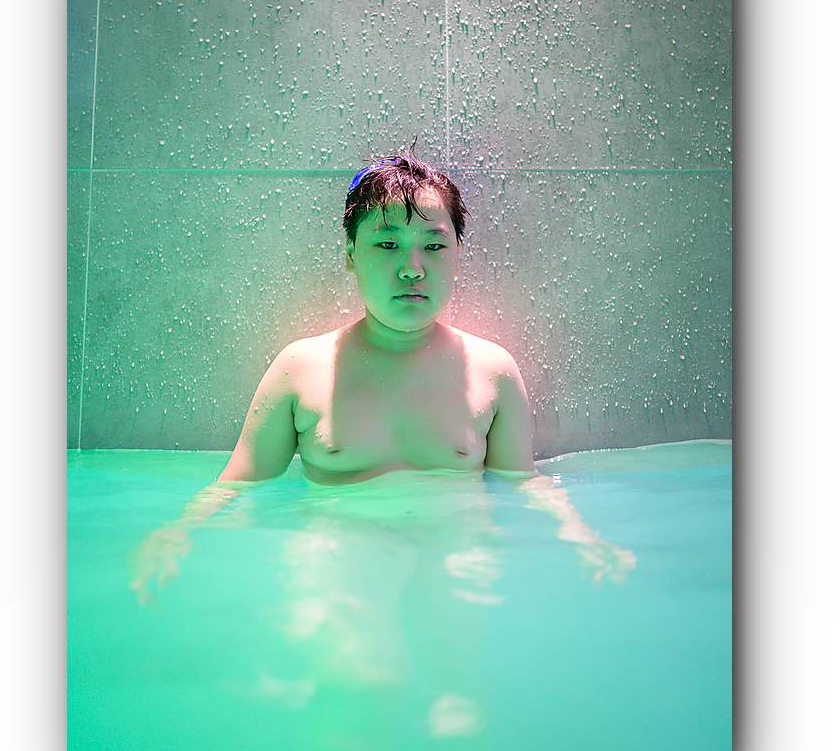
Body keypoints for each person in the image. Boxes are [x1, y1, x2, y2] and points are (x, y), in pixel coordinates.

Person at [129, 146, 633, 604]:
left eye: (434, 246)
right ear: (351, 256)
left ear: (458, 257)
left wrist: (583, 538)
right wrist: (175, 535)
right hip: (335, 566)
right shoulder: (301, 369)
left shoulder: (492, 371)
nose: (412, 268)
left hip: (457, 564)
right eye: (388, 245)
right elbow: (237, 486)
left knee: (450, 675)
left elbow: (521, 483)